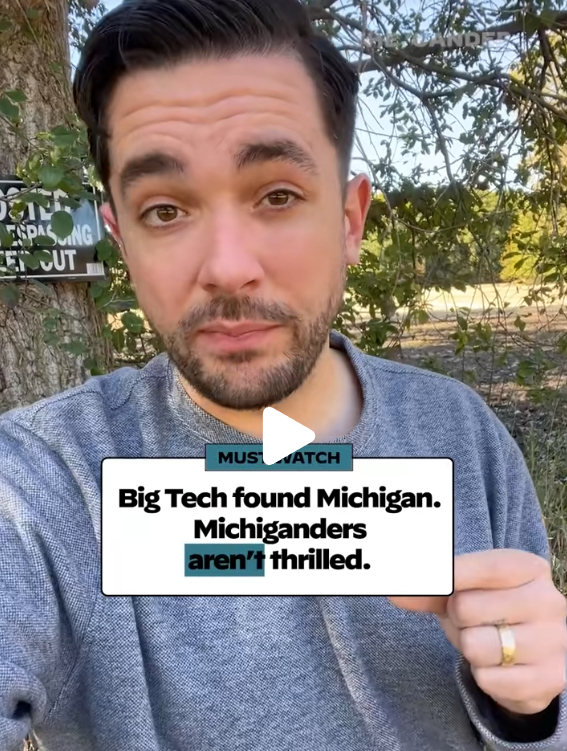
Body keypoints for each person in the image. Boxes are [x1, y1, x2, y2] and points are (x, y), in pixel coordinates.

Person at [0, 0, 565, 749]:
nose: (227, 266)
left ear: (349, 219)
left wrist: (529, 709)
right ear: (121, 239)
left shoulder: (461, 430)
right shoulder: (42, 483)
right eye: (164, 210)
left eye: (277, 196)